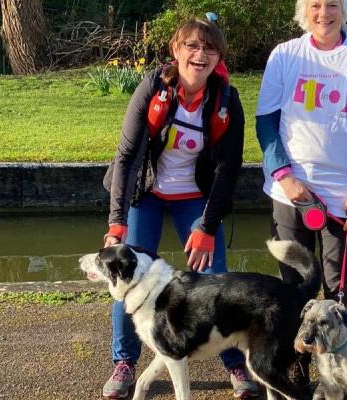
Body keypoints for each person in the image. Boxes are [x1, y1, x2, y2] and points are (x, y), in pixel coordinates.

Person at [101, 17, 258, 400]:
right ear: (176, 50)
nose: (199, 55)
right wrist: (117, 223)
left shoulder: (226, 100)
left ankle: (236, 363)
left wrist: (207, 225)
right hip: (146, 194)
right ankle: (124, 362)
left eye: (209, 49)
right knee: (127, 280)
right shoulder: (153, 88)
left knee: (217, 279)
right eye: (192, 46)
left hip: (194, 198)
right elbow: (126, 157)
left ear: (218, 57)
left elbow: (228, 169)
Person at [255, 0, 347, 390]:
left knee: (338, 292)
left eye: (332, 4)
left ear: (345, 10)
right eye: (315, 4)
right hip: (290, 192)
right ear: (304, 11)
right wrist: (285, 177)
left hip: (345, 198)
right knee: (296, 290)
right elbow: (266, 124)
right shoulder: (285, 55)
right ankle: (298, 370)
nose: (323, 12)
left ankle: (342, 377)